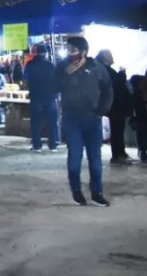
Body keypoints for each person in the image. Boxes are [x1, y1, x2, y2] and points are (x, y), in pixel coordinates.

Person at [56, 36, 113, 206]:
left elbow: (108, 91)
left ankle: (97, 192)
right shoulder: (62, 66)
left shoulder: (97, 68)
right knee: (75, 156)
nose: (69, 53)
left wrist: (101, 111)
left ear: (83, 52)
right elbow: (52, 87)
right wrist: (65, 75)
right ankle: (76, 191)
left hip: (92, 118)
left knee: (95, 157)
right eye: (68, 49)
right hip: (71, 118)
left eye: (72, 50)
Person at [95, 49, 133, 165]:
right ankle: (118, 154)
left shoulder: (103, 69)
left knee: (118, 130)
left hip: (115, 104)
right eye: (109, 55)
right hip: (115, 105)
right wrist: (122, 73)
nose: (112, 57)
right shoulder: (104, 70)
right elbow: (115, 83)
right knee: (117, 130)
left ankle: (120, 153)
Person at [24, 44, 59, 152]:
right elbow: (56, 81)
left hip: (36, 97)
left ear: (36, 53)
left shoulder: (29, 65)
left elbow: (25, 79)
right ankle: (53, 145)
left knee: (36, 122)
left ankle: (37, 146)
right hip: (50, 98)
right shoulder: (51, 65)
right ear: (46, 53)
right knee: (52, 122)